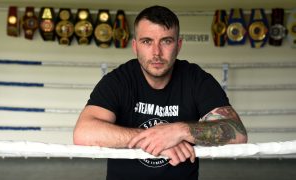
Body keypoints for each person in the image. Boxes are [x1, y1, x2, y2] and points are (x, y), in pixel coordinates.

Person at [73, 5, 248, 180]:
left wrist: (180, 131)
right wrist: (156, 139)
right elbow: (83, 132)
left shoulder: (196, 79)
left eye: (166, 41)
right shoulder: (119, 80)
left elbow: (237, 132)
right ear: (135, 46)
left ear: (178, 45)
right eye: (147, 41)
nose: (156, 52)